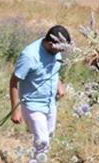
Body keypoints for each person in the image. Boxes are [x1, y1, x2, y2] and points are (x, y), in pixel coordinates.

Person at [10, 24, 71, 156]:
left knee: (48, 136)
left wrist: (59, 85)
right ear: (50, 43)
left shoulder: (56, 50)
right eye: (59, 49)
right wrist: (15, 110)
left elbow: (54, 70)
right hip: (32, 105)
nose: (60, 52)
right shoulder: (29, 56)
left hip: (50, 104)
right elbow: (14, 82)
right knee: (43, 142)